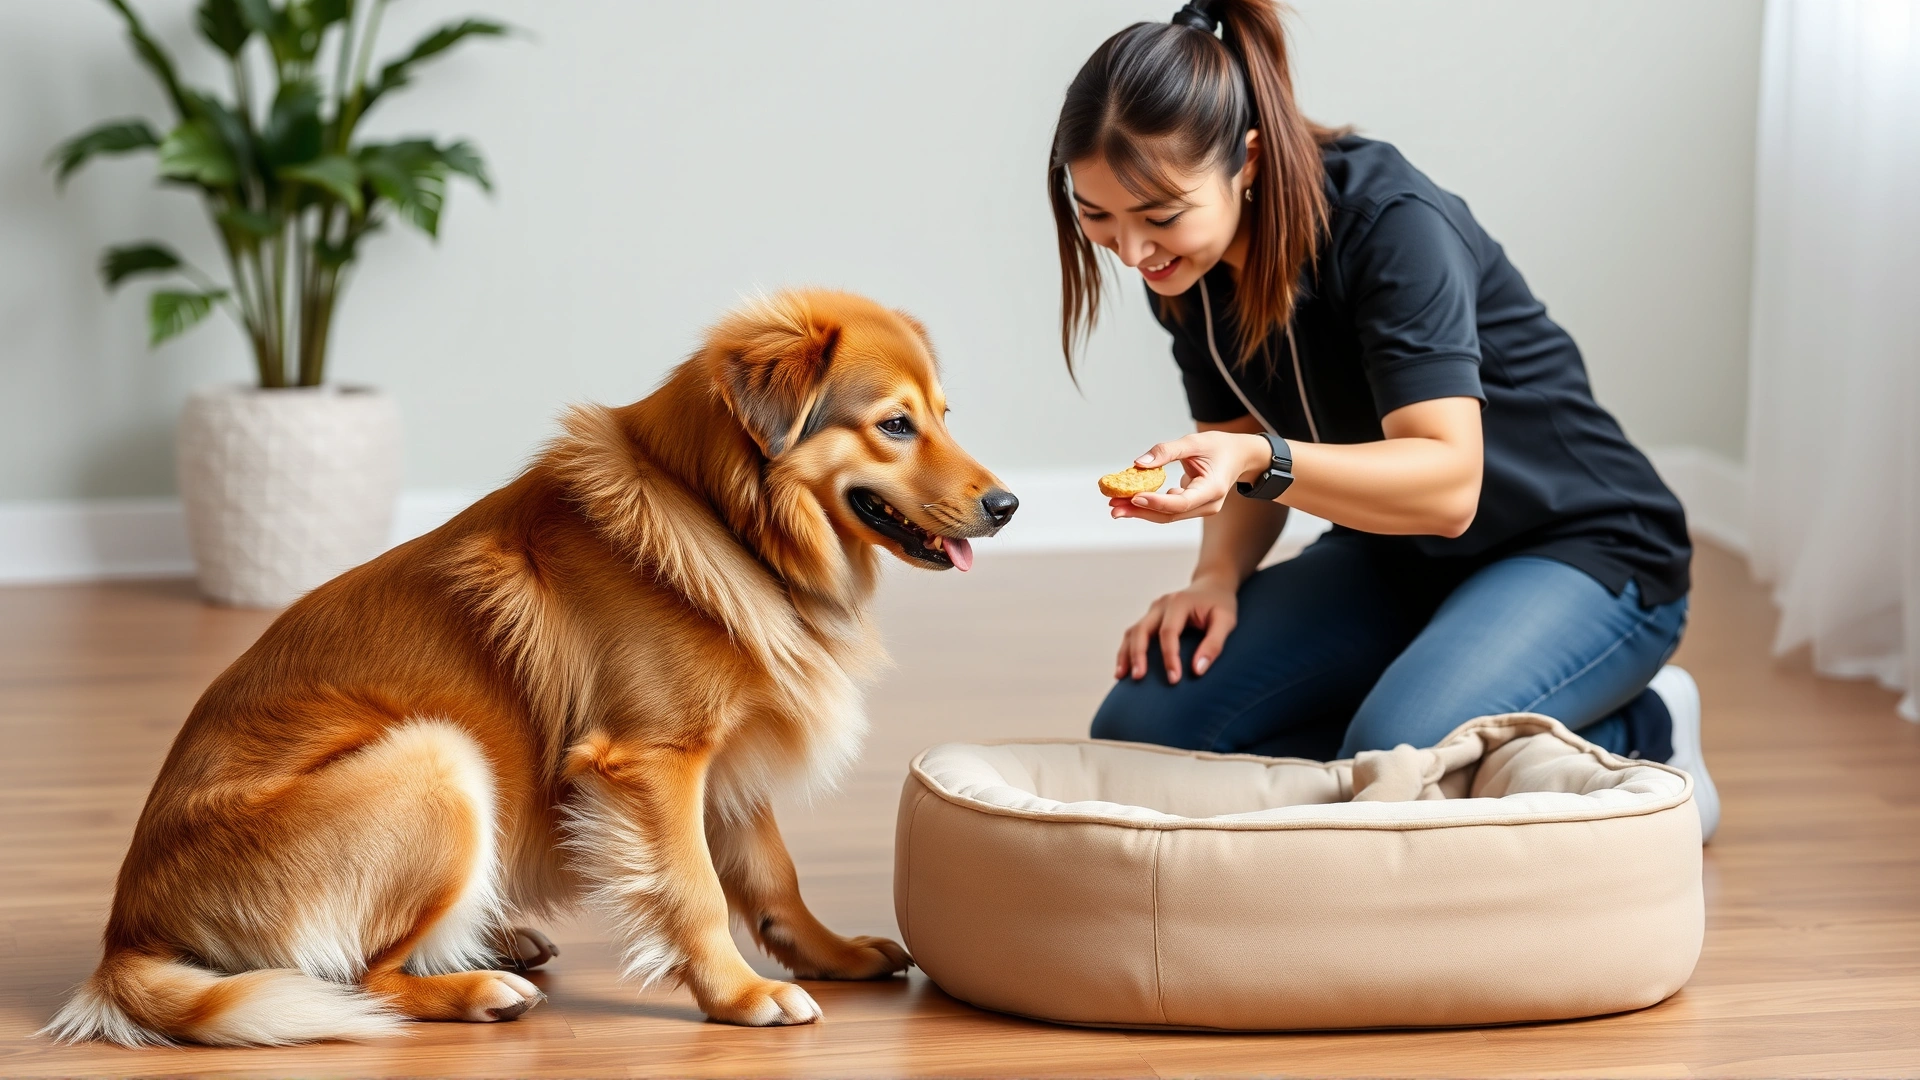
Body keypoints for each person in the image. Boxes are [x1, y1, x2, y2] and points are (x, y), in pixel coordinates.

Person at [1050, 0, 1718, 838]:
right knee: (1144, 737)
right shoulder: (1189, 270)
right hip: (1393, 554)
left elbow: (1445, 486)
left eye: (1158, 217)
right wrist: (1214, 578)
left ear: (1246, 162)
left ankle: (1644, 732)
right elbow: (1239, 444)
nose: (1134, 253)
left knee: (1395, 749)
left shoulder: (1390, 226)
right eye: (1096, 216)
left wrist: (1260, 459)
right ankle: (1434, 710)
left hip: (1580, 549)